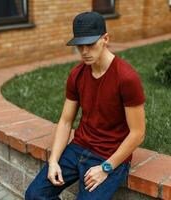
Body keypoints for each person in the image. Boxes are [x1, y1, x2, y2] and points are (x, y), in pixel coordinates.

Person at [25, 11, 145, 200]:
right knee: (34, 195)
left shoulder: (126, 78)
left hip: (110, 155)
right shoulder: (77, 74)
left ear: (105, 38)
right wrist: (54, 161)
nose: (84, 52)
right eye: (79, 46)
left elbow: (138, 133)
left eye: (90, 44)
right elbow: (65, 121)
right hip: (79, 147)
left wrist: (106, 168)